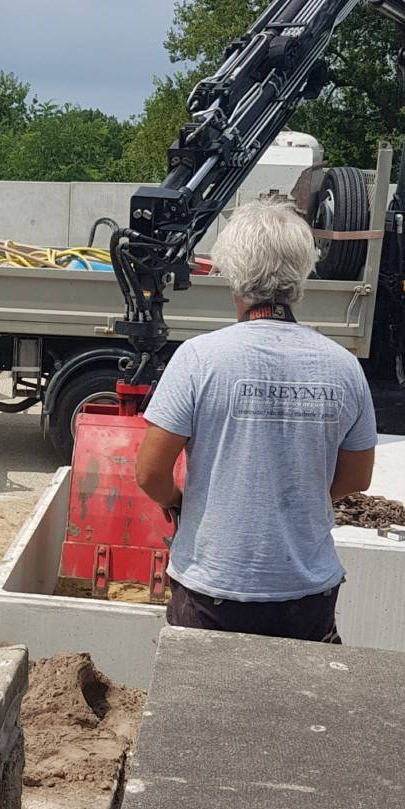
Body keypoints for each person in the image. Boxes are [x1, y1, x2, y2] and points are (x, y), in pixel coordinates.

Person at [135, 197, 376, 642]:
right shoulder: (343, 366)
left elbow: (149, 472)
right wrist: (297, 497)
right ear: (302, 272)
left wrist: (181, 501)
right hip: (307, 591)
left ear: (232, 273)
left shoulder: (198, 359)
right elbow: (357, 477)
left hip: (213, 588)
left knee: (199, 710)